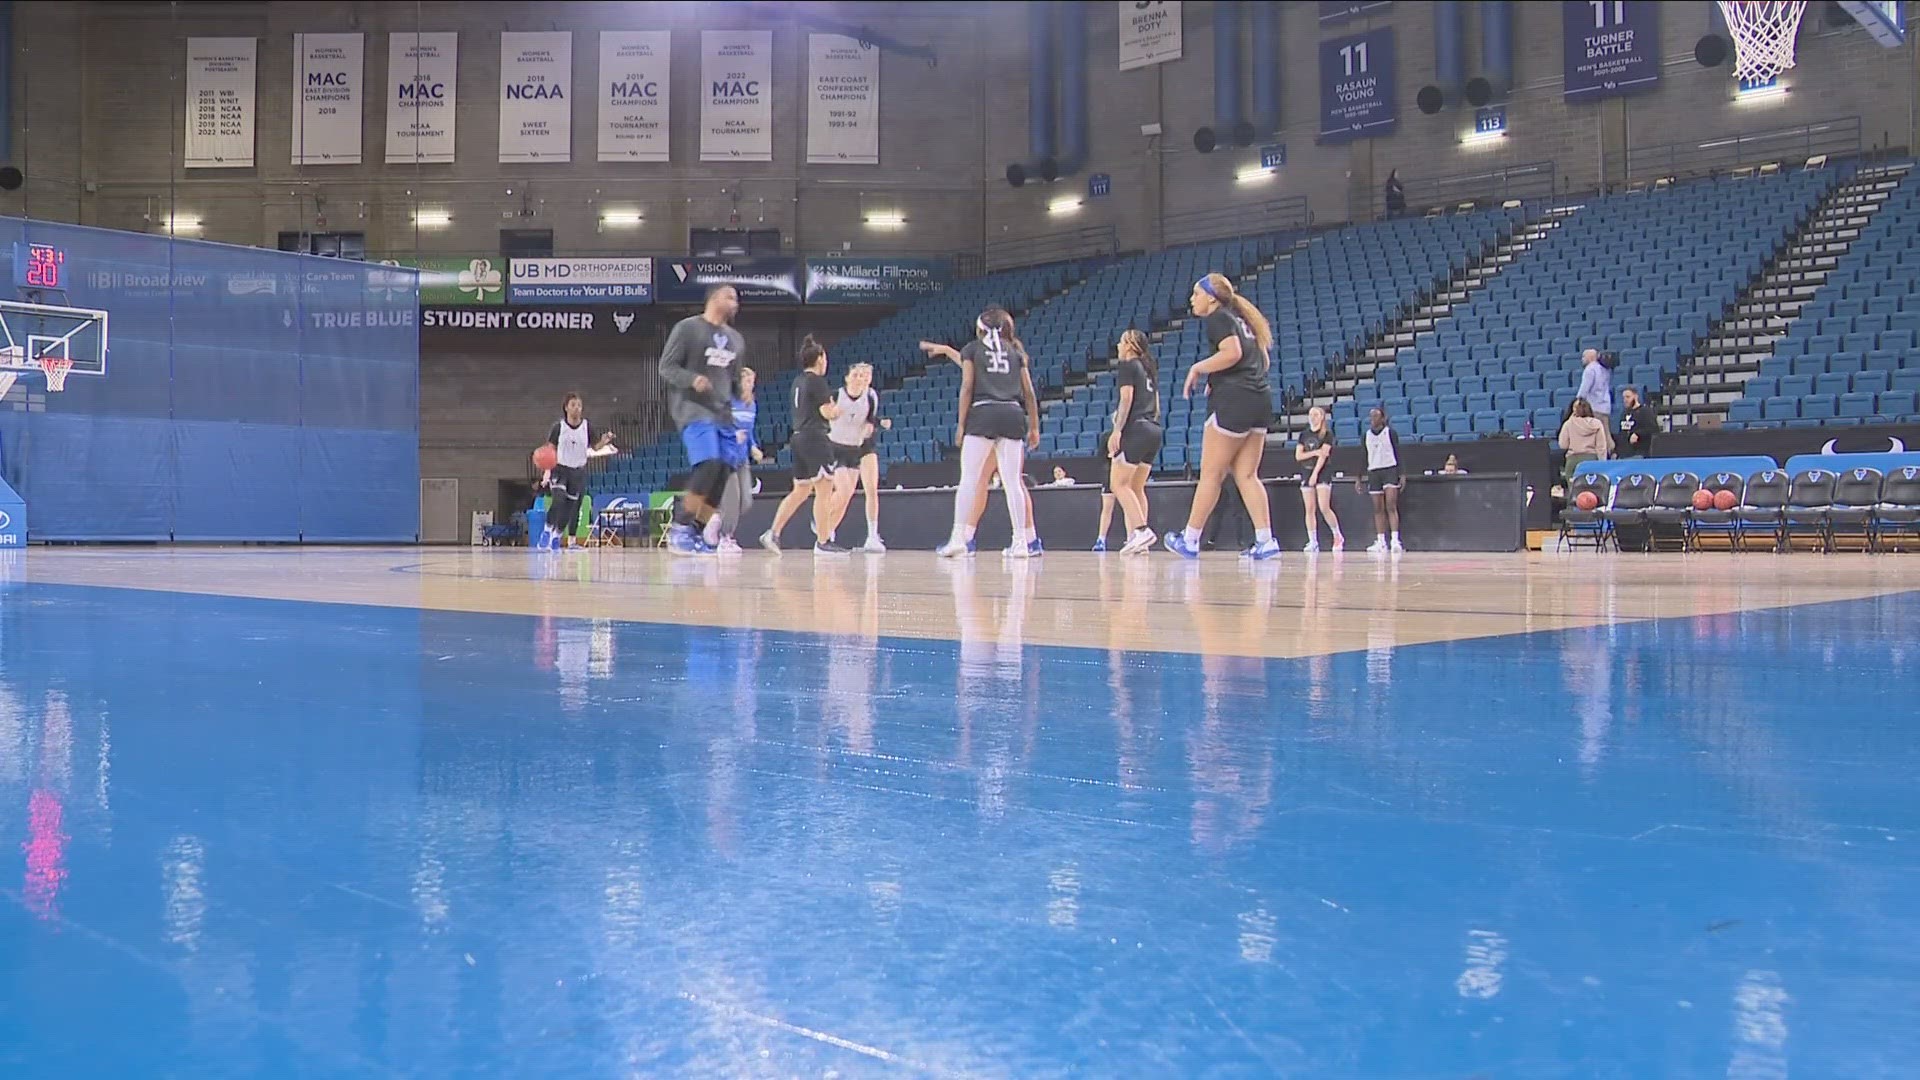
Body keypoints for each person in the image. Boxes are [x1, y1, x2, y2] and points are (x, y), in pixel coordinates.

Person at [1164, 273, 1280, 561]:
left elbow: (1232, 353)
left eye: (1196, 293)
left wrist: (1198, 368)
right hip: (1260, 399)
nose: (1192, 299)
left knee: (1211, 475)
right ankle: (1266, 540)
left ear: (1211, 297)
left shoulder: (1217, 319)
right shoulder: (1245, 321)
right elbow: (1260, 360)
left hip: (1233, 402)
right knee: (1247, 475)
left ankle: (1190, 539)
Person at [926, 307, 1039, 558]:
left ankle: (958, 538)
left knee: (969, 479)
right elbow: (1029, 392)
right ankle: (1021, 542)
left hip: (983, 413)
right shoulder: (1016, 352)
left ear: (980, 329)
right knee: (1013, 482)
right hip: (1012, 413)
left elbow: (967, 386)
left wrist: (961, 424)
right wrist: (1034, 426)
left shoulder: (973, 349)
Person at [658, 284, 744, 554]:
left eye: (736, 299)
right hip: (692, 410)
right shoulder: (687, 329)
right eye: (729, 297)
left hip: (722, 414)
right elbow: (666, 367)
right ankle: (680, 527)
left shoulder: (736, 340)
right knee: (709, 463)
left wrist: (741, 402)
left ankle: (696, 532)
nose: (734, 302)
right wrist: (691, 379)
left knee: (722, 472)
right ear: (714, 298)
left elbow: (734, 381)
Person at [761, 336, 854, 555]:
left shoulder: (797, 381)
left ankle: (773, 532)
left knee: (801, 490)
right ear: (820, 359)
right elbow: (827, 412)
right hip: (815, 438)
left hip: (798, 437)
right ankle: (823, 541)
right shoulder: (817, 382)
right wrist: (839, 409)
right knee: (824, 489)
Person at [1106, 328, 1161, 555]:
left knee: (1118, 484)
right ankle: (1137, 541)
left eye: (1121, 342)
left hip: (1137, 428)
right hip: (1154, 429)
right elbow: (1156, 404)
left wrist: (1117, 429)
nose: (1118, 346)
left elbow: (1126, 398)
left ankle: (1141, 530)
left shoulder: (1128, 366)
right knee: (1137, 487)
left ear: (1130, 345)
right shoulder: (1149, 370)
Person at [538, 392, 616, 550]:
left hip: (577, 472)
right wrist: (547, 471)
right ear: (566, 407)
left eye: (579, 405)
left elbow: (595, 447)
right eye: (573, 405)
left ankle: (557, 536)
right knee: (558, 499)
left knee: (569, 507)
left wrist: (604, 441)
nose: (577, 408)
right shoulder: (558, 428)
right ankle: (547, 531)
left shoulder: (587, 427)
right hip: (559, 469)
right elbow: (550, 451)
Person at [825, 362, 888, 552]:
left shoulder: (871, 396)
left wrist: (875, 425)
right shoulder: (837, 395)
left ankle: (871, 535)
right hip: (836, 446)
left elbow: (870, 419)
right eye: (858, 374)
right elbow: (825, 415)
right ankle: (822, 522)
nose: (863, 378)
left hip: (861, 445)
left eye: (866, 375)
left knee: (868, 490)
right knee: (843, 492)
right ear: (848, 377)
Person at [705, 366, 765, 553]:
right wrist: (732, 435)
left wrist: (753, 446)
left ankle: (716, 519)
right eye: (747, 381)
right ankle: (725, 537)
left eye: (752, 382)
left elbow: (749, 432)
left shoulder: (752, 404)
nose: (751, 385)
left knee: (745, 501)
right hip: (725, 457)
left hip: (742, 458)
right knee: (732, 499)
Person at [1294, 405, 1344, 553]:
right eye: (1310, 414)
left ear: (1321, 417)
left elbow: (1324, 455)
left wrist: (1315, 473)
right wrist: (1314, 452)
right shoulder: (1303, 434)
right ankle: (1312, 541)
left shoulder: (1327, 434)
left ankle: (1337, 535)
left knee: (1323, 507)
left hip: (1322, 472)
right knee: (1309, 509)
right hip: (1306, 471)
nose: (1312, 417)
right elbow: (1299, 456)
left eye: (1315, 414)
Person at [1356, 407, 1404, 554]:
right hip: (1374, 471)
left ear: (1383, 418)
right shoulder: (1366, 435)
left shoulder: (1390, 433)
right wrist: (1358, 477)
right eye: (1371, 416)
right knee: (1378, 508)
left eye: (1376, 416)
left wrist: (1402, 474)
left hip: (1389, 469)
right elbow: (1363, 456)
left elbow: (1398, 453)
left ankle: (1395, 540)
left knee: (1391, 505)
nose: (1373, 419)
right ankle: (1381, 540)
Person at [1558, 396, 1613, 468]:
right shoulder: (1597, 423)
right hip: (1592, 460)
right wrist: (1602, 464)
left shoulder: (1568, 424)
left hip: (1573, 462)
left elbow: (1563, 445)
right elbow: (1601, 447)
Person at [1577, 348, 1613, 430]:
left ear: (1590, 357)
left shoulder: (1590, 369)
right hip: (1605, 407)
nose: (1582, 359)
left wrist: (1578, 400)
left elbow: (1585, 388)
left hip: (1594, 407)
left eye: (1583, 357)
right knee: (1605, 433)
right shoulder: (1605, 369)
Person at [1617, 386, 1656, 458]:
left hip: (1639, 452)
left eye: (1628, 397)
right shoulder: (1624, 413)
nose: (1625, 400)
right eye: (1624, 397)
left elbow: (1653, 428)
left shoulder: (1645, 411)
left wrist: (1638, 434)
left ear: (1635, 396)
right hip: (1624, 453)